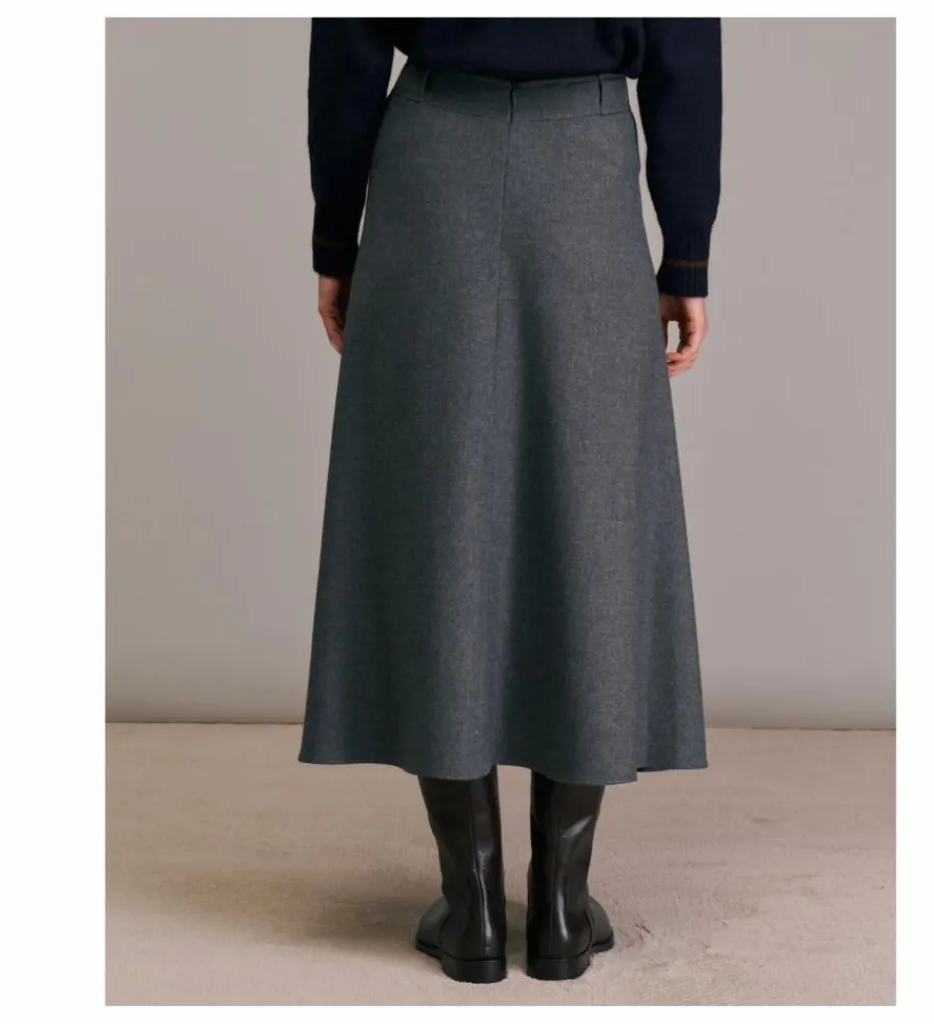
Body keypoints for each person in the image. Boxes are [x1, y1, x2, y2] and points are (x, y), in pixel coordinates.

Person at [298, 17, 722, 984]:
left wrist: (336, 238)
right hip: (586, 161)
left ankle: (474, 906)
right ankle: (562, 907)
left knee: (437, 510)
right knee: (592, 510)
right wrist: (686, 253)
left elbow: (350, 48)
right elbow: (685, 51)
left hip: (432, 162)